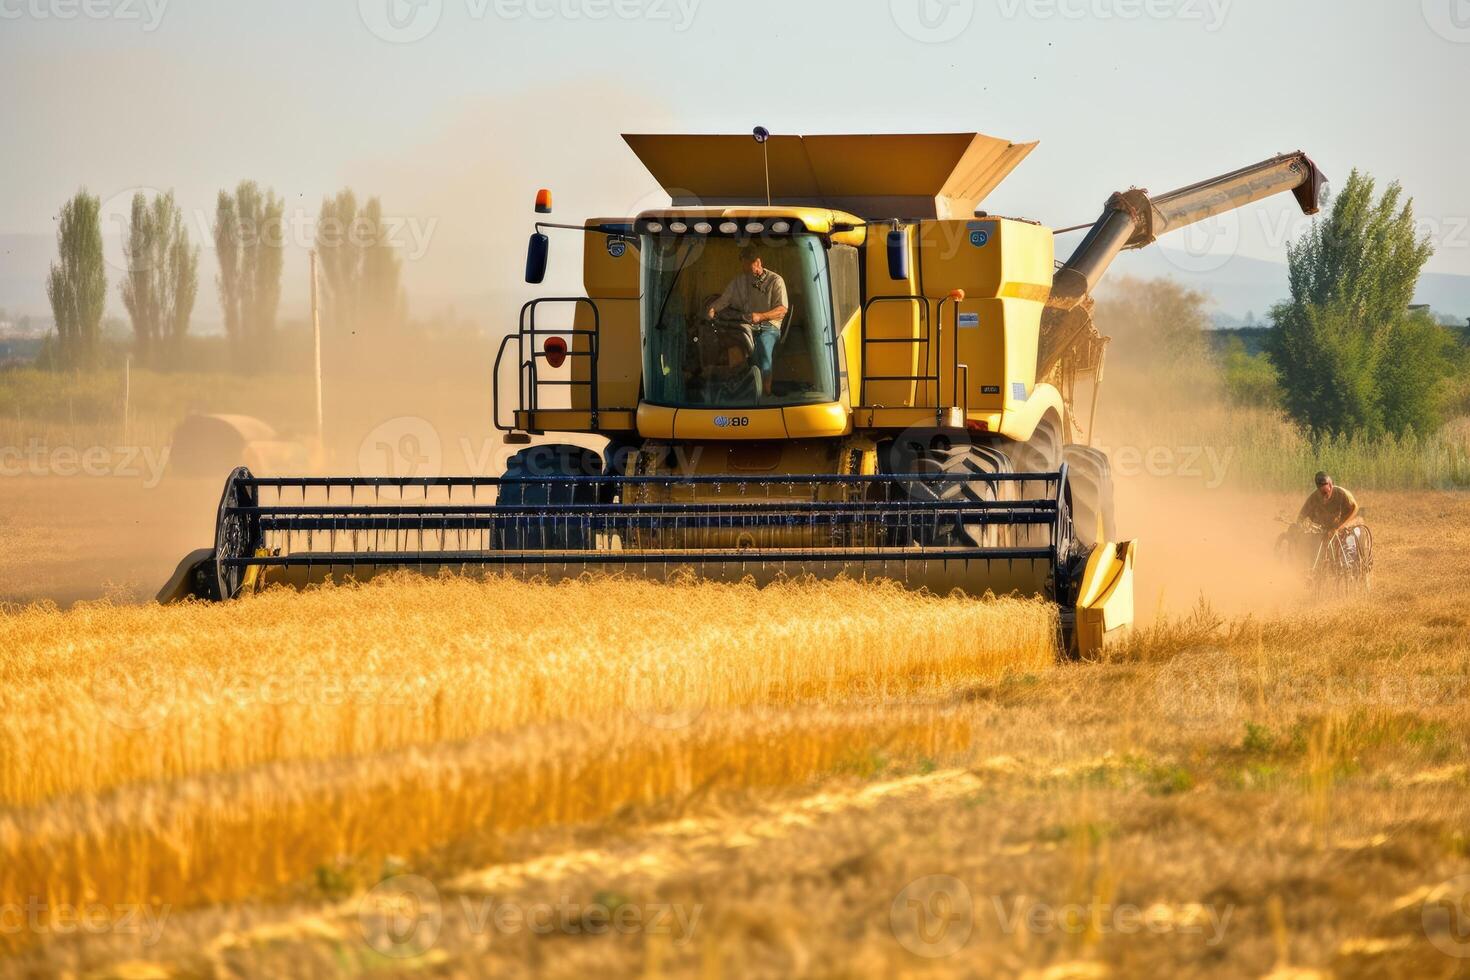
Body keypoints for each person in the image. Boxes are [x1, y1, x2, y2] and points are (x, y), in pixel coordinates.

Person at [708, 246, 788, 397]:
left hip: (769, 327)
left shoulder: (775, 280)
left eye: (747, 265)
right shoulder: (740, 280)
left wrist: (761, 316)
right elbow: (725, 299)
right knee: (732, 346)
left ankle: (765, 394)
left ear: (757, 262)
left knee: (764, 352)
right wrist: (713, 308)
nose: (744, 269)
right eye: (743, 265)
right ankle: (738, 389)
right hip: (747, 326)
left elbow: (782, 309)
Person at [1292, 471, 1361, 566]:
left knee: (1348, 546)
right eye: (1322, 493)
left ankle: (1351, 567)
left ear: (1331, 486)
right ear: (1318, 489)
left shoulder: (1341, 493)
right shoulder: (1314, 498)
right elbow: (1302, 515)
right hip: (1328, 528)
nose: (1324, 497)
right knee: (1317, 544)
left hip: (1347, 523)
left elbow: (1355, 508)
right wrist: (1299, 526)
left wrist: (1339, 527)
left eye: (1326, 493)